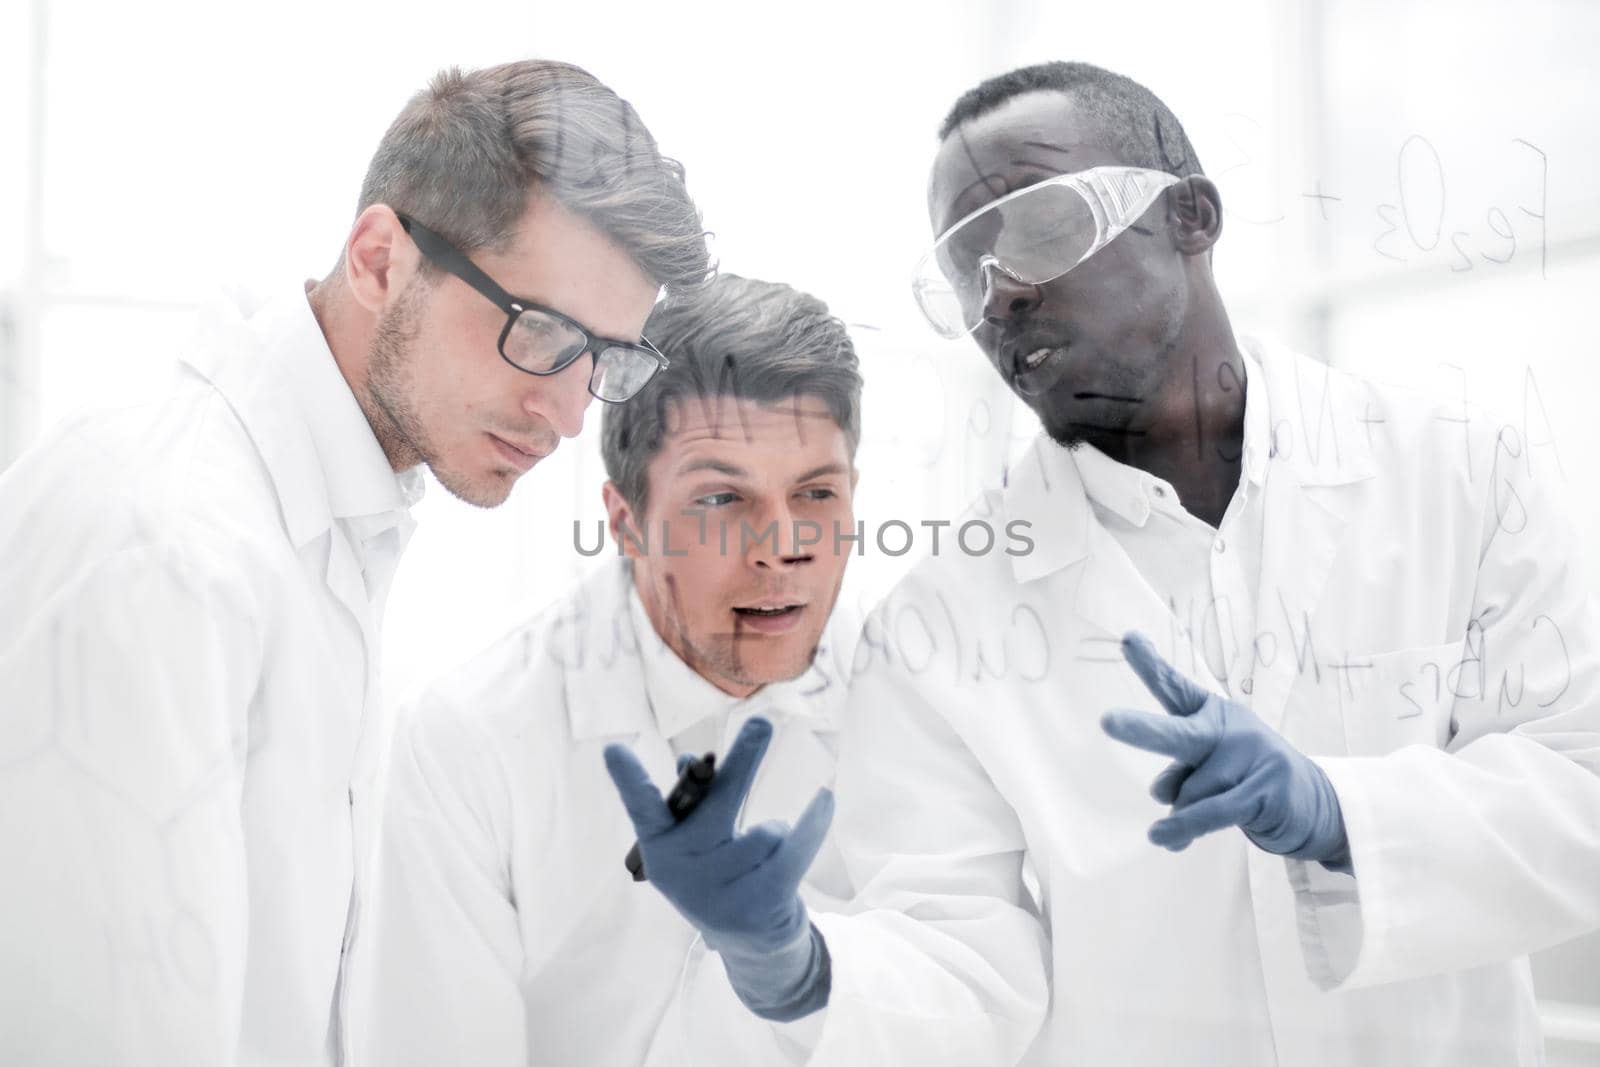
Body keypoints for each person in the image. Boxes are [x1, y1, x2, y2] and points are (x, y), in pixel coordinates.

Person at [606, 61, 1600, 1065]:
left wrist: (1335, 811)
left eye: (1038, 227)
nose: (1002, 296)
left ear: (1190, 217)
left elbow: (1583, 788)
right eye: (968, 270)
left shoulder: (1460, 475)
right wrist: (787, 961)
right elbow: (962, 954)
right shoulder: (939, 625)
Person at [0, 59, 708, 1066]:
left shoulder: (331, 529)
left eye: (605, 361)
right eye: (540, 330)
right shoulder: (164, 546)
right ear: (379, 258)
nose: (567, 413)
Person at [350, 273, 864, 1067]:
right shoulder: (471, 738)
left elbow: (985, 1001)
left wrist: (791, 973)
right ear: (627, 521)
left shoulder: (921, 704)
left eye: (817, 492)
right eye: (723, 499)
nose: (781, 545)